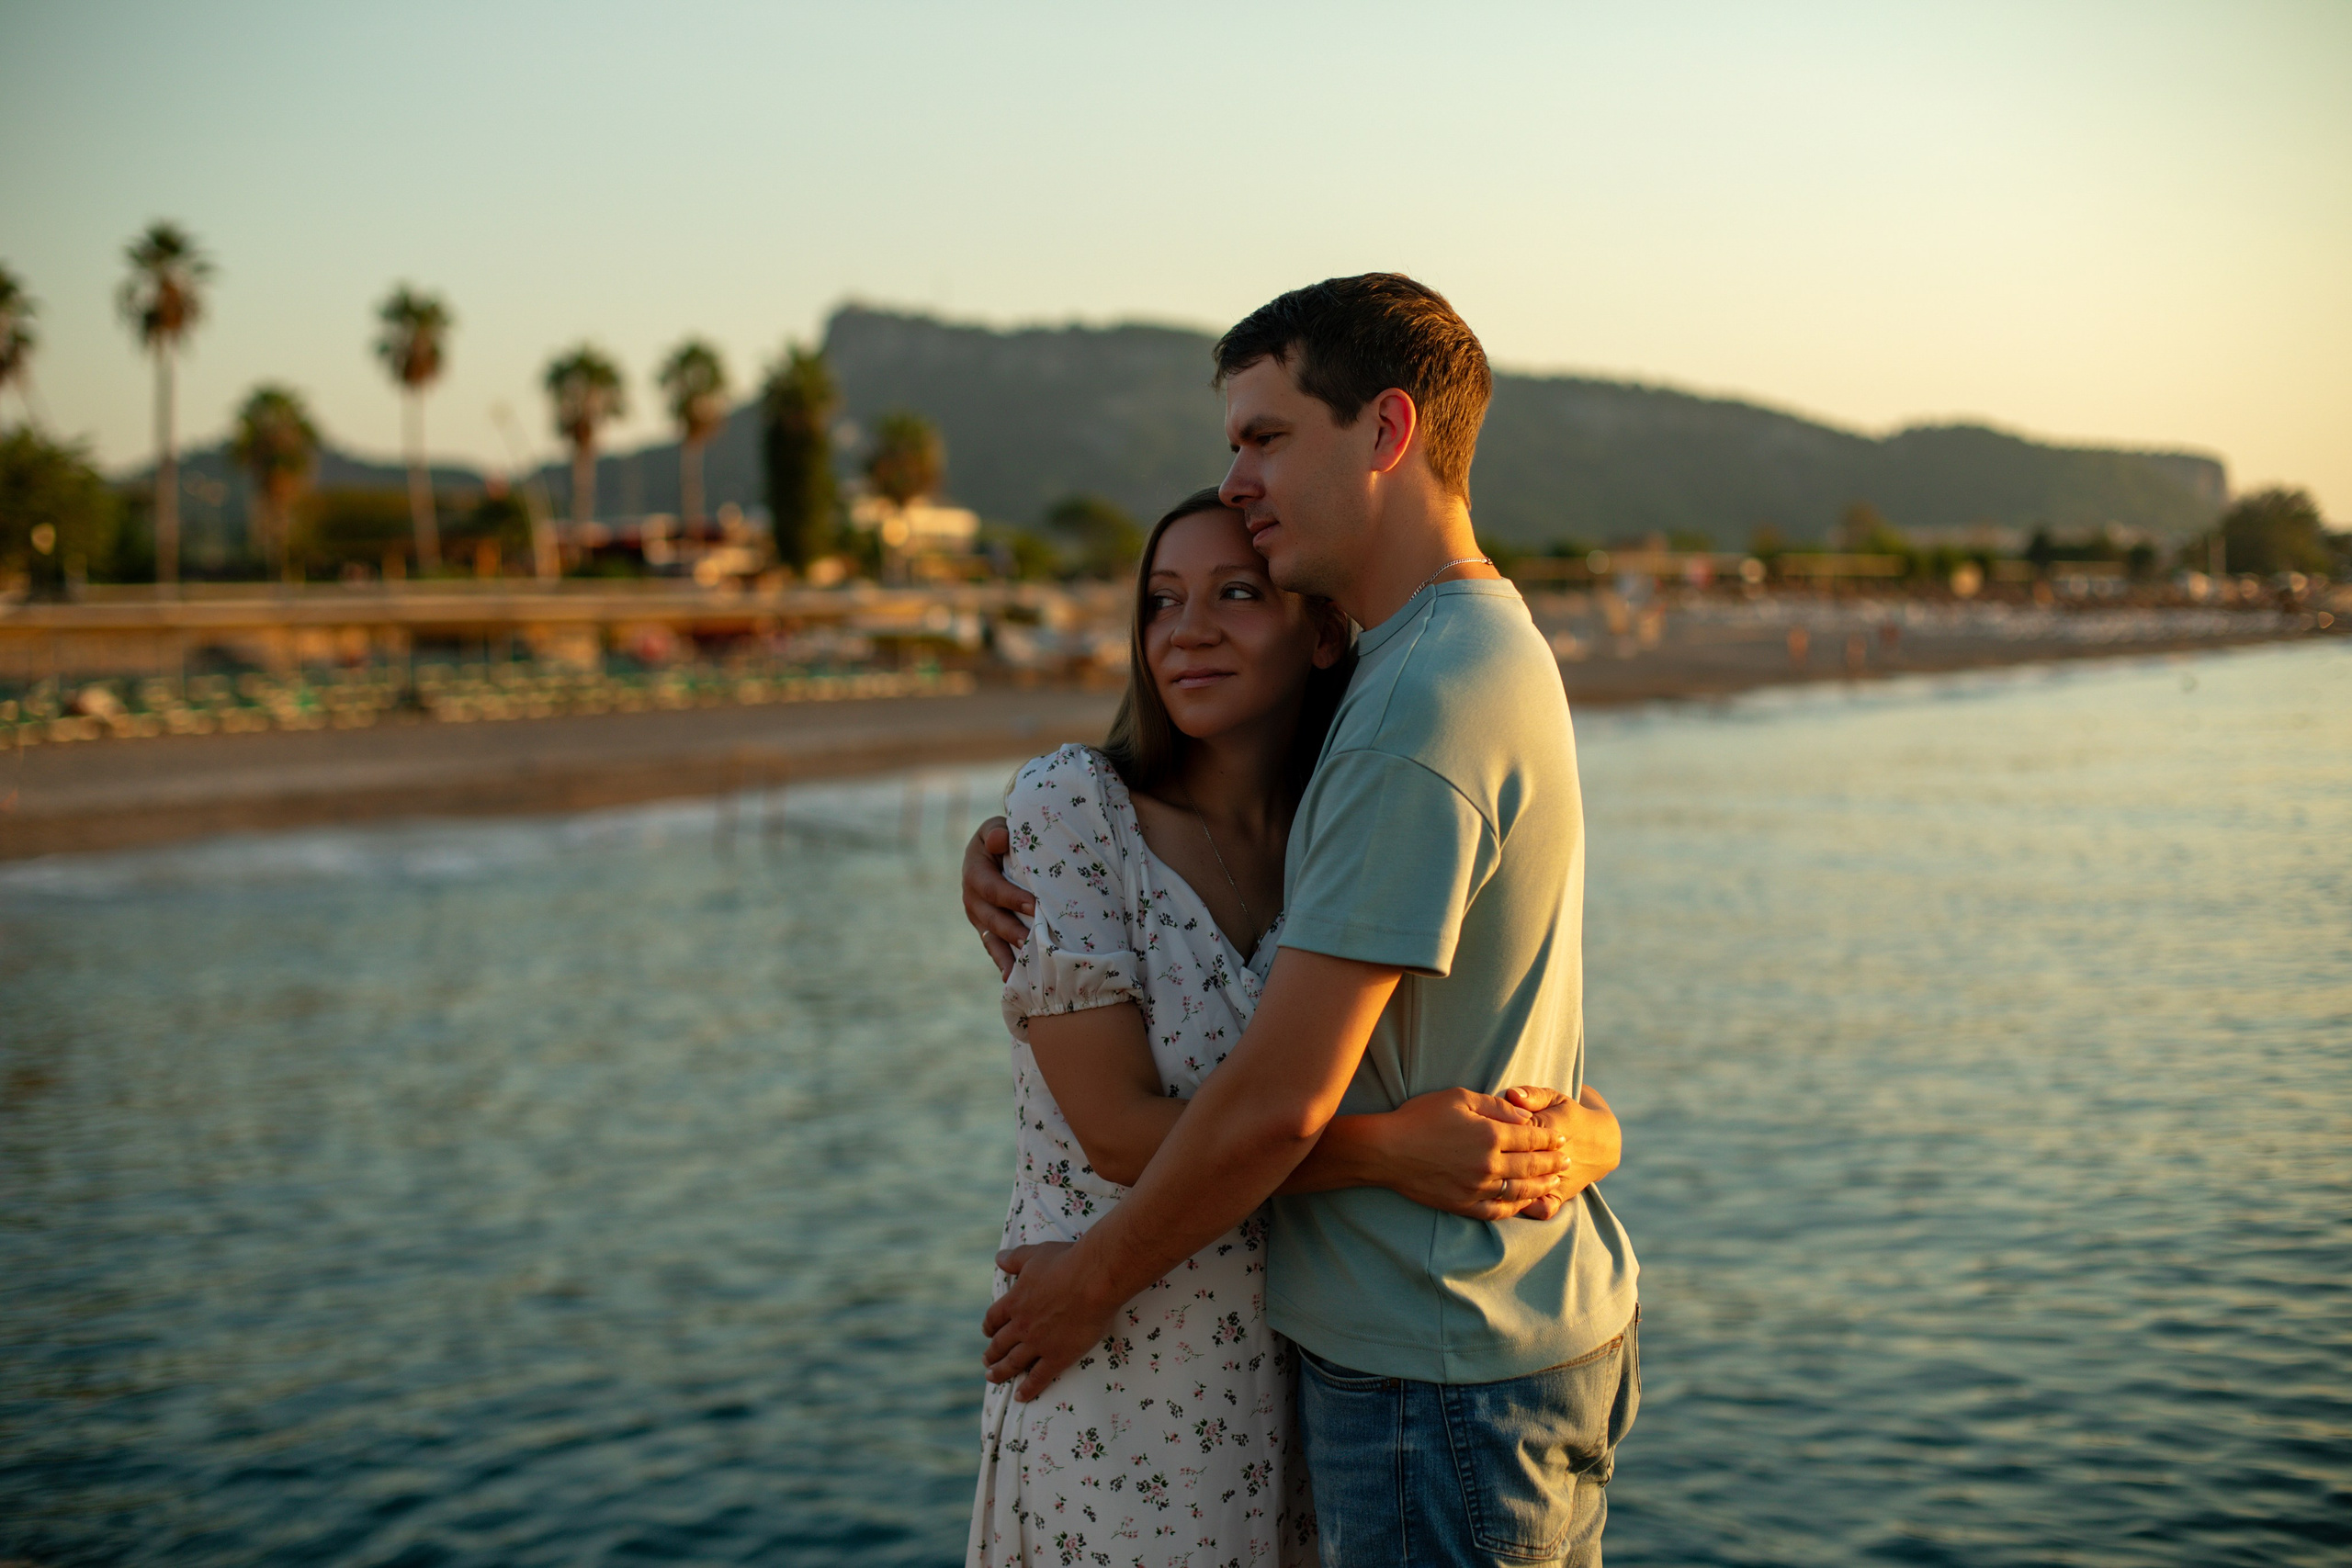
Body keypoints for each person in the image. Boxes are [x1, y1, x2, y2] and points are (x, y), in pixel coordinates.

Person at [963, 275, 1639, 1566]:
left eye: (1266, 437)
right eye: (1163, 599)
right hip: (1364, 1359)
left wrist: (1090, 1281)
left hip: (1434, 1359)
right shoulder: (1424, 673)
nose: (1239, 477)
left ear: (1386, 432)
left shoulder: (1405, 708)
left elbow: (1279, 1104)